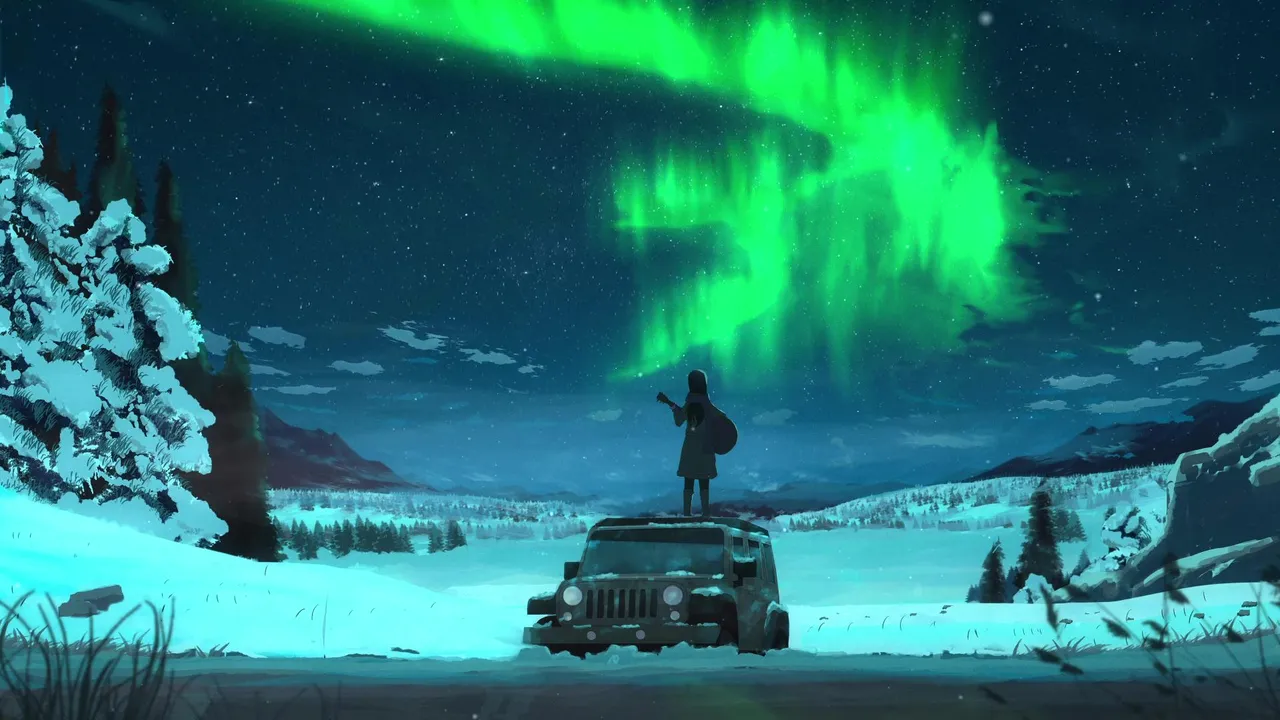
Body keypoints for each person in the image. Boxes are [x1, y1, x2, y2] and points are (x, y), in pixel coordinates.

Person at [656, 369, 718, 517]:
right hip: (706, 448)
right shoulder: (708, 405)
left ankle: (687, 514)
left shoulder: (690, 404)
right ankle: (705, 513)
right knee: (704, 481)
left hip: (690, 447)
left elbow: (679, 420)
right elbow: (720, 419)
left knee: (689, 481)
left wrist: (670, 404)